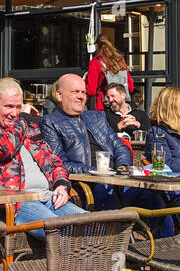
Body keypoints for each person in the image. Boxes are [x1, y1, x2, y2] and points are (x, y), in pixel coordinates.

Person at [0, 78, 82, 234]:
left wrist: (61, 184)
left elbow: (52, 161)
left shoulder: (29, 127)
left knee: (92, 224)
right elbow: (5, 148)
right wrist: (22, 119)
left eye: (18, 107)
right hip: (15, 203)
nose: (14, 113)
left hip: (49, 197)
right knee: (58, 233)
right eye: (9, 107)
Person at [41, 74, 131, 210]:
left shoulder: (97, 117)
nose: (81, 96)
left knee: (152, 195)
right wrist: (97, 172)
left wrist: (122, 167)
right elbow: (59, 163)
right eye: (75, 92)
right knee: (106, 191)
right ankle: (118, 230)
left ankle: (166, 232)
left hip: (116, 178)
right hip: (88, 184)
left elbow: (120, 146)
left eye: (83, 92)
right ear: (59, 95)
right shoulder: (51, 122)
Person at [87, 36, 134, 111]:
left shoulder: (95, 63)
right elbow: (130, 87)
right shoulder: (120, 60)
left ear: (97, 47)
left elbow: (91, 91)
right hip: (121, 106)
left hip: (104, 106)